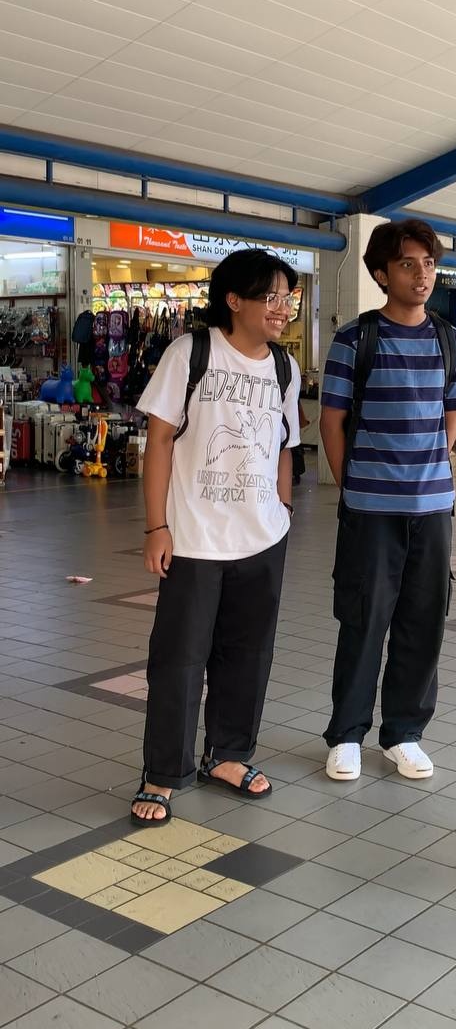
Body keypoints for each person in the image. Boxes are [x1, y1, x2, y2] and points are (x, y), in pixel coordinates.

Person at [130, 250, 301, 825]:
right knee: (179, 660)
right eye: (271, 297)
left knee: (249, 655)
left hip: (262, 537)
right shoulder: (190, 353)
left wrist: (283, 509)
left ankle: (229, 754)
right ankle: (165, 772)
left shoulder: (284, 367)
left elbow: (284, 445)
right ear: (235, 300)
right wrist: (157, 526)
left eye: (287, 298)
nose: (283, 309)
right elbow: (157, 443)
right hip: (195, 537)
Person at [319, 218, 456, 783]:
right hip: (371, 511)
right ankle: (346, 734)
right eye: (408, 264)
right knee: (363, 620)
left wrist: (446, 448)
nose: (422, 274)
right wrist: (351, 486)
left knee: (423, 621)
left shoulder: (449, 340)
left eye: (429, 263)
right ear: (382, 273)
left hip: (433, 510)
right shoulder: (354, 339)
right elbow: (330, 420)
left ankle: (404, 732)